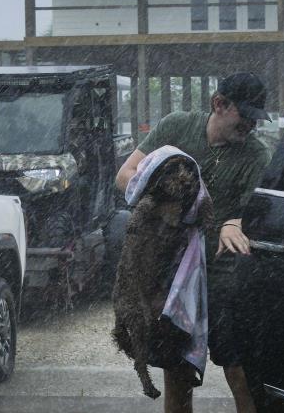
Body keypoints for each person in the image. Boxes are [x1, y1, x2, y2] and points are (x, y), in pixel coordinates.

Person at [115, 72, 272, 413]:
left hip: (222, 281)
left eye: (255, 119)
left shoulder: (257, 156)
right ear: (219, 104)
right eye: (244, 116)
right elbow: (126, 175)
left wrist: (236, 222)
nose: (250, 126)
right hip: (173, 279)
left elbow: (259, 214)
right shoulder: (177, 128)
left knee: (238, 369)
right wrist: (167, 194)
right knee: (178, 372)